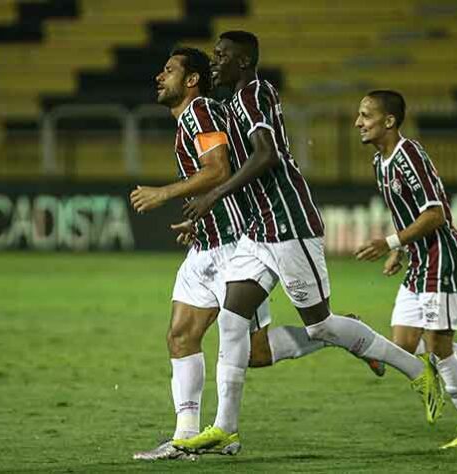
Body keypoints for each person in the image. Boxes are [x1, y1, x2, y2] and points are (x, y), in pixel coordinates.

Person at [173, 31, 443, 455]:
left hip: (288, 224)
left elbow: (267, 156)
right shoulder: (237, 102)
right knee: (231, 317)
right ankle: (225, 427)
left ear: (243, 62)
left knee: (321, 324)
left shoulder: (253, 95)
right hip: (258, 230)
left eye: (222, 57)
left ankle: (418, 370)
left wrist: (212, 195)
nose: (214, 63)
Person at [129, 47, 380, 461]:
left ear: (192, 80)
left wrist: (164, 193)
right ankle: (183, 437)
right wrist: (198, 221)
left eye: (169, 70)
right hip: (206, 244)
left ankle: (341, 334)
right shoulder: (188, 121)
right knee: (180, 335)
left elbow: (219, 170)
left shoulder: (202, 113)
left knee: (257, 353)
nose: (160, 76)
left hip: (235, 247)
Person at [353, 90, 457, 448]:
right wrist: (402, 250)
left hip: (442, 259)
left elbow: (435, 214)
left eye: (365, 115)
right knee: (403, 347)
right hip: (419, 261)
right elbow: (407, 214)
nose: (358, 123)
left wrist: (390, 243)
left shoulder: (409, 154)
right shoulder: (380, 162)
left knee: (439, 347)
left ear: (389, 121)